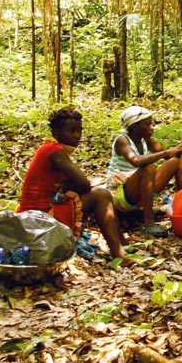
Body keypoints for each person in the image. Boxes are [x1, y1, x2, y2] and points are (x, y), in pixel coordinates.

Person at [19, 106, 127, 260]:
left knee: (102, 195)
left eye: (79, 131)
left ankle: (123, 245)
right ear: (56, 132)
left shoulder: (52, 147)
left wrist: (68, 185)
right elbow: (84, 184)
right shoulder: (54, 151)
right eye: (72, 131)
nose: (77, 135)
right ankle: (119, 254)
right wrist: (70, 185)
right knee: (101, 195)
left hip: (42, 211)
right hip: (40, 215)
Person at [107, 105, 182, 237]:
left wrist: (180, 148)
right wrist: (167, 152)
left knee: (177, 163)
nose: (152, 127)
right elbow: (135, 160)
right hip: (120, 194)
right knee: (148, 168)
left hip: (139, 189)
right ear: (135, 127)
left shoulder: (146, 140)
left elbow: (169, 156)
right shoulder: (122, 140)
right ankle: (149, 223)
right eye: (147, 124)